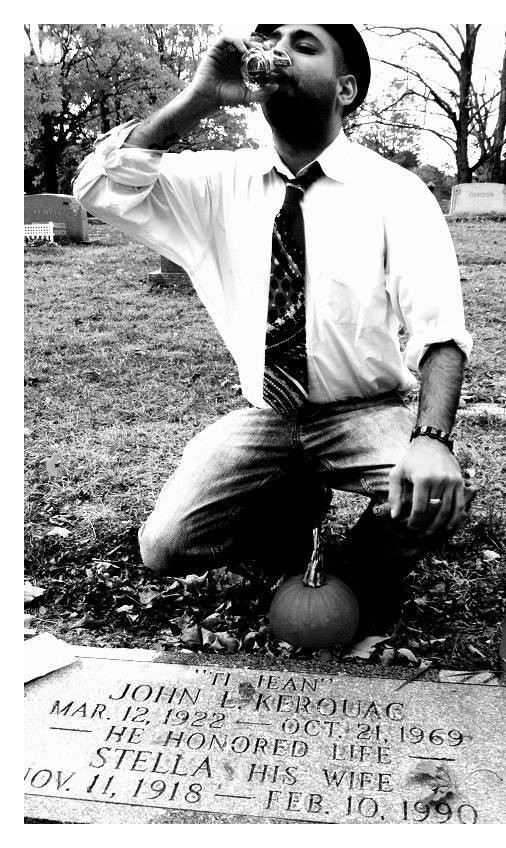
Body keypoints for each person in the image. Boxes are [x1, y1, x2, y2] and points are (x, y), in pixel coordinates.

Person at [73, 24, 473, 633]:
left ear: (345, 89)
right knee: (165, 546)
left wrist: (432, 439)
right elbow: (98, 187)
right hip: (267, 412)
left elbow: (440, 332)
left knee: (438, 497)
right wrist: (200, 97)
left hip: (360, 410)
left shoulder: (396, 192)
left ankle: (344, 575)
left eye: (305, 44)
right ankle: (289, 514)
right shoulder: (217, 182)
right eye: (271, 38)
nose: (279, 50)